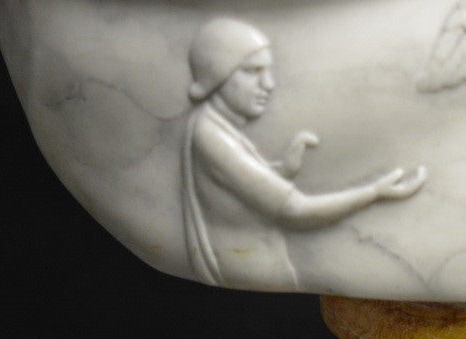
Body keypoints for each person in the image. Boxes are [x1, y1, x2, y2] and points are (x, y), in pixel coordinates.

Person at [181, 18, 426, 288]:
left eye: (268, 70)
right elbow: (296, 210)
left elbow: (237, 188)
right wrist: (375, 192)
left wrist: (283, 170)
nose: (269, 84)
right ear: (217, 74)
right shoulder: (213, 137)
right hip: (251, 279)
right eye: (253, 71)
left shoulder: (216, 126)